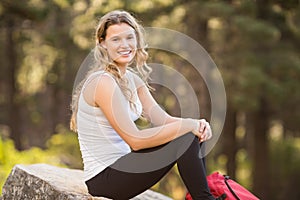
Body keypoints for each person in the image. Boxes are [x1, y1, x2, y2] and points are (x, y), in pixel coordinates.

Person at [70, 10, 216, 200]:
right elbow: (135, 140)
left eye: (129, 37)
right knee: (186, 136)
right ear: (102, 43)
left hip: (122, 167)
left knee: (192, 134)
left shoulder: (132, 79)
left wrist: (197, 124)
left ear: (137, 40)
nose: (124, 45)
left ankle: (204, 195)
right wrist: (189, 125)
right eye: (116, 40)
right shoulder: (102, 82)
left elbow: (164, 120)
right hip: (104, 179)